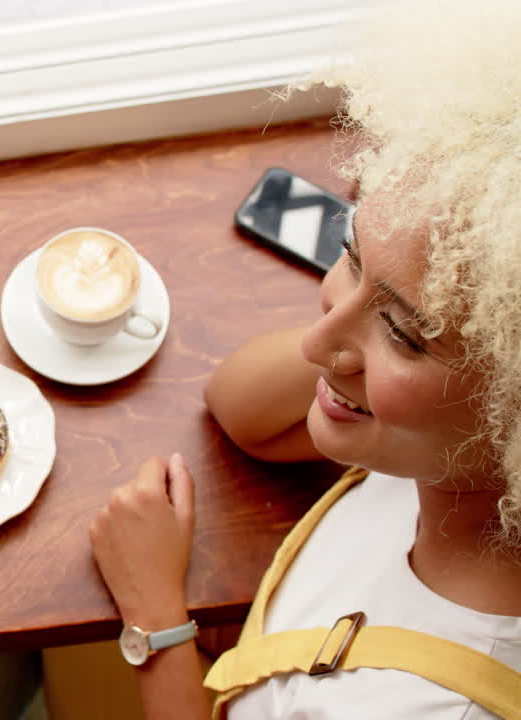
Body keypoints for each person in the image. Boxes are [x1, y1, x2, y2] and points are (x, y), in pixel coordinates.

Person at [87, 0, 521, 717]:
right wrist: (397, 278)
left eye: (405, 334)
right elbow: (242, 407)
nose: (316, 343)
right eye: (349, 253)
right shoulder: (446, 451)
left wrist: (154, 616)